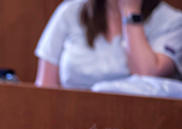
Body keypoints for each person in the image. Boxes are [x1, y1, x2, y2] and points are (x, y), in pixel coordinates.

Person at [35, 0, 182, 89]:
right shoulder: (70, 12)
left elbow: (146, 74)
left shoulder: (173, 21)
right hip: (71, 119)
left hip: (138, 121)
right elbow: (45, 88)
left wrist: (130, 11)